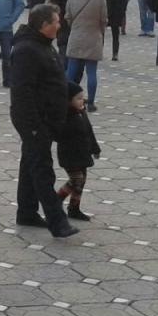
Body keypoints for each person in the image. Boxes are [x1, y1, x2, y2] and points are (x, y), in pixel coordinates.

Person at [9, 3, 77, 238]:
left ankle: (26, 212)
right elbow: (21, 92)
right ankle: (57, 221)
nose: (60, 24)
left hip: (47, 119)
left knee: (30, 165)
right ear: (43, 25)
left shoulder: (44, 45)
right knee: (42, 170)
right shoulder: (26, 50)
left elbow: (53, 80)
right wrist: (34, 127)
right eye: (56, 21)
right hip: (35, 122)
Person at [65, 0, 107, 112]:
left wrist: (76, 27)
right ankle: (91, 103)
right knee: (91, 72)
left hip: (76, 36)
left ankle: (66, 98)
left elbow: (68, 16)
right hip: (93, 37)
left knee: (70, 71)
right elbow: (103, 20)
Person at [56, 83, 101, 220]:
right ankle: (55, 201)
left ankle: (74, 208)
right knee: (77, 179)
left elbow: (89, 131)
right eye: (78, 98)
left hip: (83, 153)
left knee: (82, 181)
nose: (83, 101)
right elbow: (59, 135)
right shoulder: (64, 116)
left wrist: (95, 148)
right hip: (69, 154)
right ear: (68, 101)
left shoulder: (82, 113)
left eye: (83, 97)